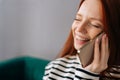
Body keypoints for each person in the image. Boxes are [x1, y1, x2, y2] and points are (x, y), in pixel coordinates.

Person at [43, 0, 120, 79]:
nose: (79, 29)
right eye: (78, 19)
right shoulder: (55, 67)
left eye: (95, 25)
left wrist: (88, 75)